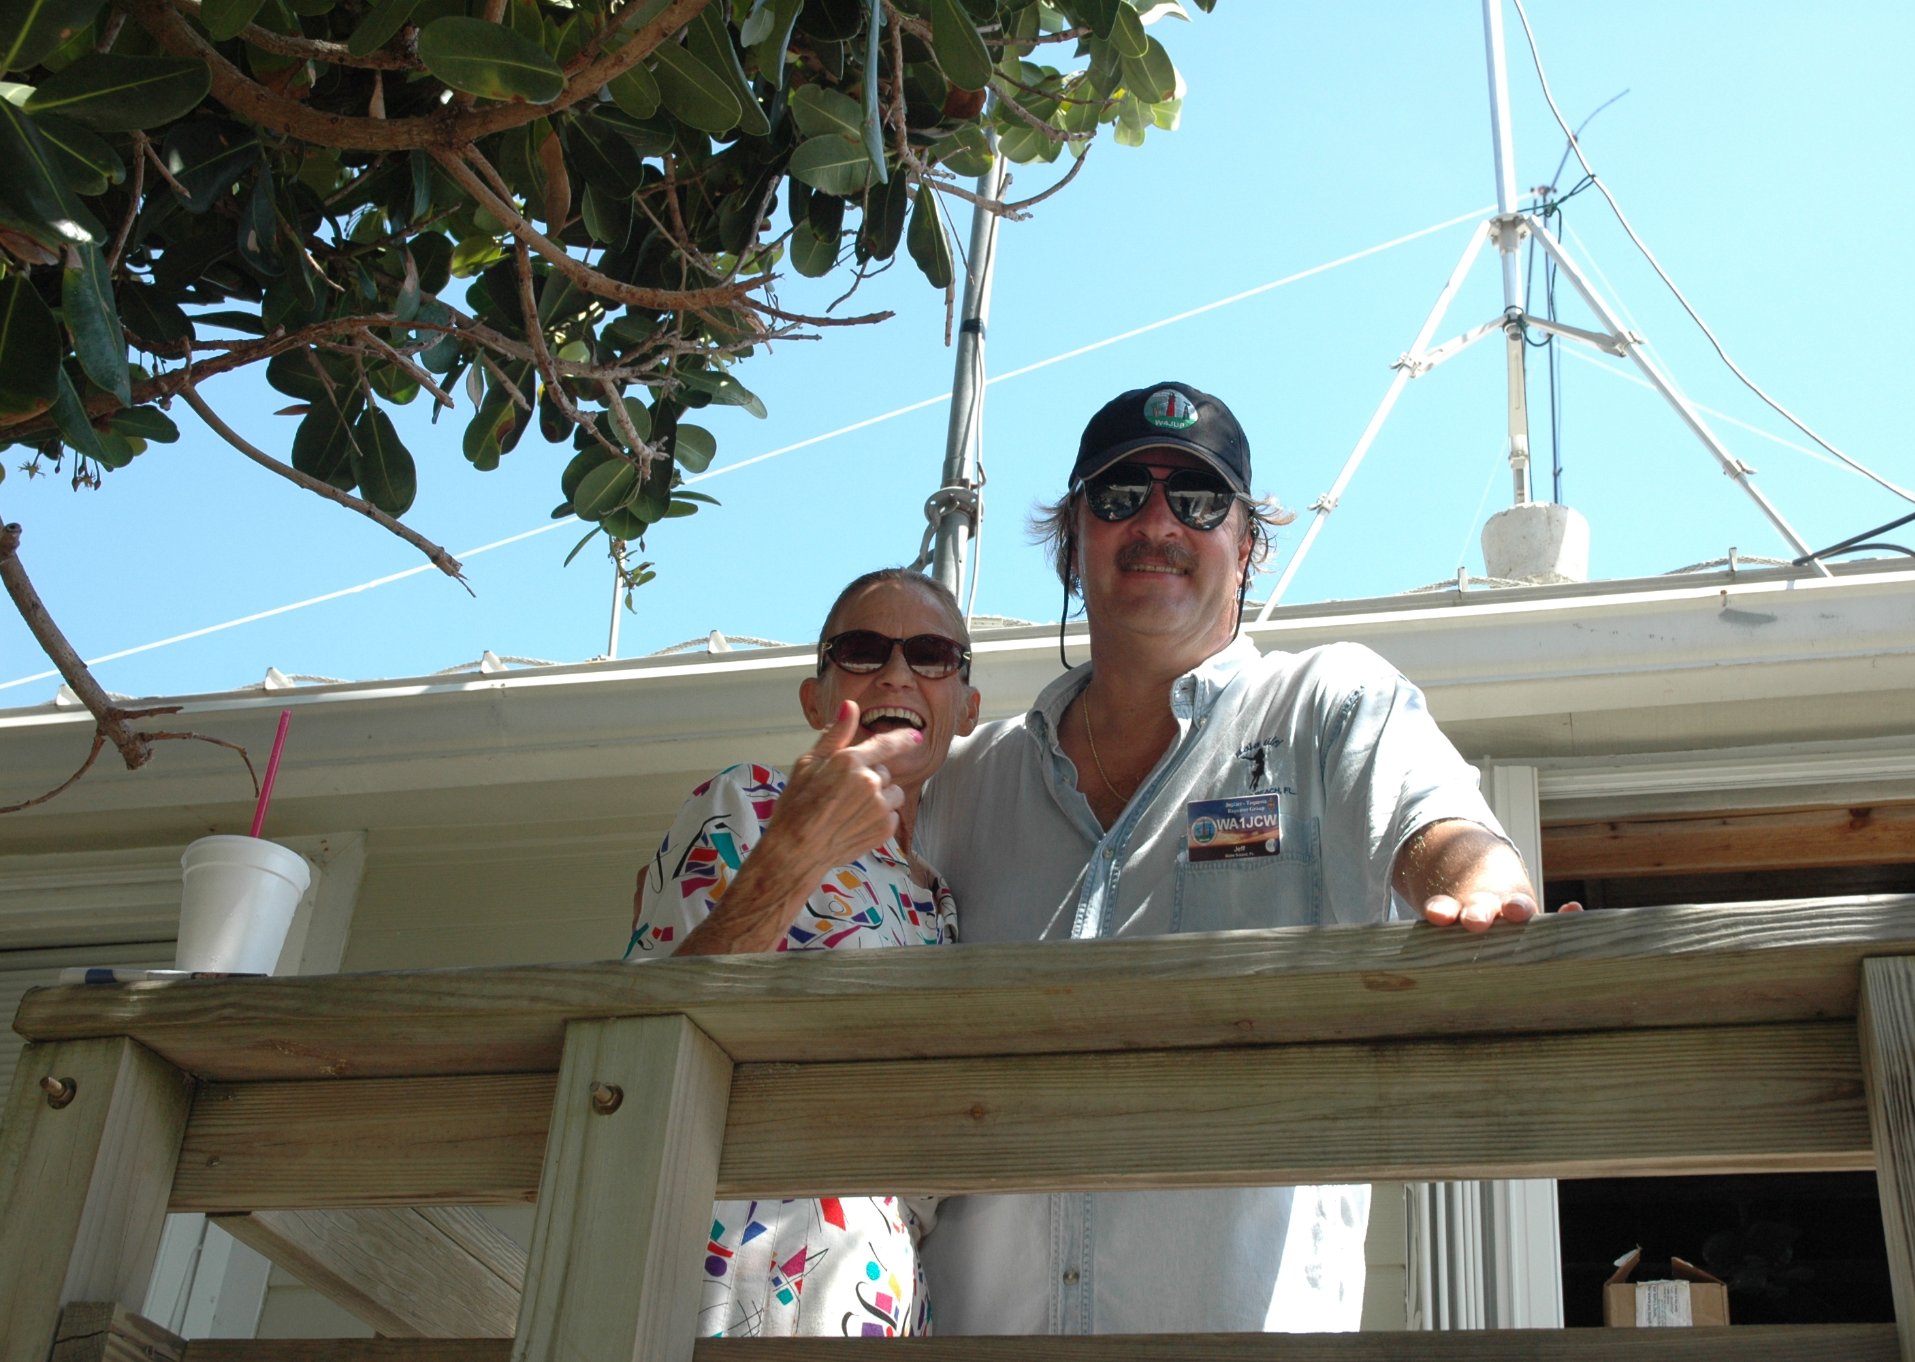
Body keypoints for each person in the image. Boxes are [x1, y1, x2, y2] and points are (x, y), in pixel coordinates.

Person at [913, 381, 1573, 1335]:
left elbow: (1440, 832)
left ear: (1249, 544)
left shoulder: (1329, 705)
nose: (1156, 523)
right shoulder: (964, 782)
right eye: (1119, 495)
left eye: (1198, 499)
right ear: (1071, 540)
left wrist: (1487, 900)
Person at [627, 567, 981, 1339]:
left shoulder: (944, 901)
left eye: (930, 654)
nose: (896, 673)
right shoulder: (748, 803)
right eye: (862, 650)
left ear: (966, 707)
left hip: (884, 1296)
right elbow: (645, 1041)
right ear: (814, 699)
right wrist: (798, 847)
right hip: (734, 1286)